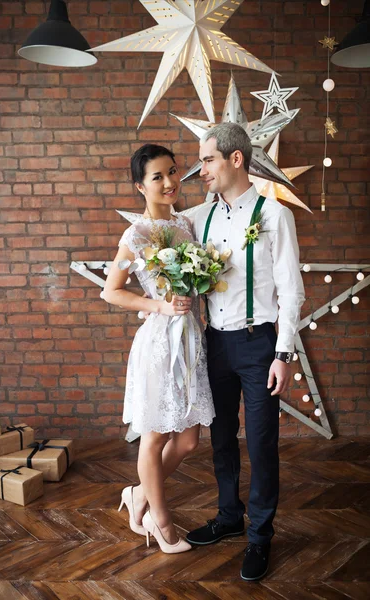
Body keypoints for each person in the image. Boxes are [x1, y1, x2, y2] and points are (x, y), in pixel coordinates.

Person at [185, 123, 305, 581]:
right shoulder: (199, 218)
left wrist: (283, 354)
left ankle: (260, 537)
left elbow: (292, 293)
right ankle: (228, 517)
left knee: (261, 442)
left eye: (208, 160)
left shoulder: (275, 216)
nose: (202, 170)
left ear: (236, 159)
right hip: (214, 342)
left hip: (259, 345)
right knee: (220, 439)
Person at [103, 144, 215, 554]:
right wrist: (158, 305)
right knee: (153, 438)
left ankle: (138, 494)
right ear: (140, 186)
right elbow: (110, 292)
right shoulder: (136, 234)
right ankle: (161, 521)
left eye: (172, 172)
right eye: (157, 177)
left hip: (191, 342)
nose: (169, 182)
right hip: (159, 343)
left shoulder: (186, 224)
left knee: (187, 441)